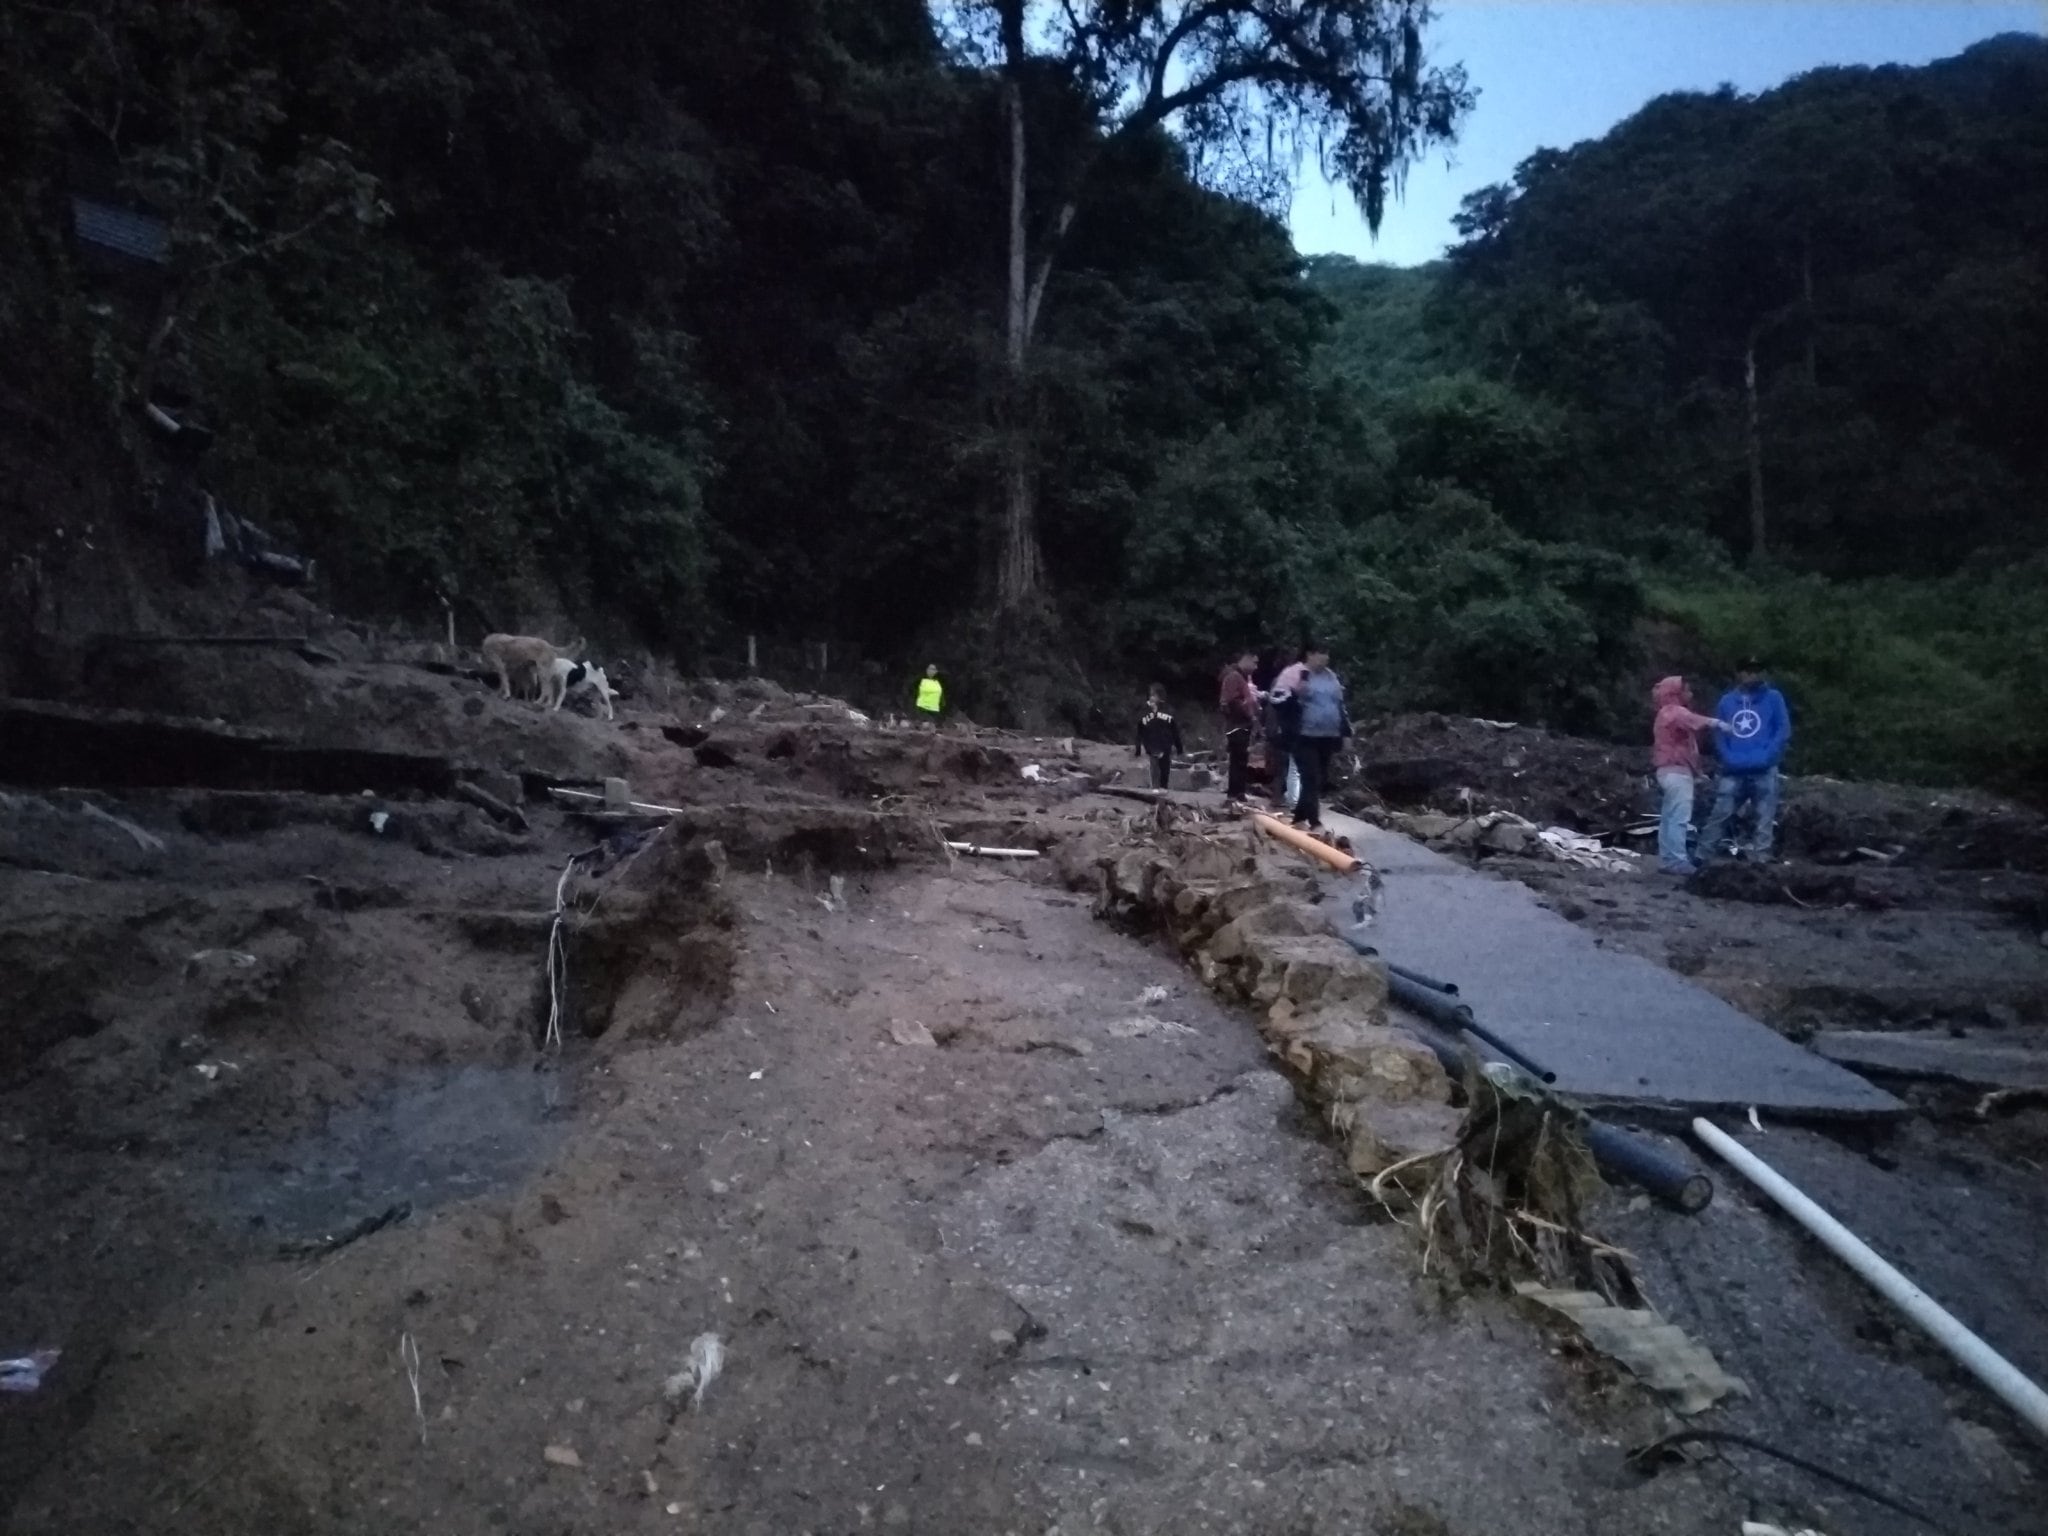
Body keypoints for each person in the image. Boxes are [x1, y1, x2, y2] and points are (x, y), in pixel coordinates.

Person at [1700, 657, 1793, 862]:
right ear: (1738, 673)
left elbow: (1783, 730)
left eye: (1757, 670)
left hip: (1764, 768)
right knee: (1720, 813)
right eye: (1747, 670)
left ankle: (1761, 858)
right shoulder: (1726, 701)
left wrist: (1768, 755)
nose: (1752, 675)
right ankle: (1702, 856)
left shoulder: (1774, 698)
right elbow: (1719, 734)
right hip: (1733, 768)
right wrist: (1727, 756)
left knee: (1764, 816)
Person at [1650, 675, 1731, 876]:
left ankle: (1668, 858)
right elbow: (1693, 721)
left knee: (1669, 816)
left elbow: (1686, 748)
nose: (1691, 694)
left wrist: (1698, 773)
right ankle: (1677, 860)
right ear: (1676, 692)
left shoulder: (1664, 712)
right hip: (1677, 772)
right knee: (1679, 817)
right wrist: (1718, 723)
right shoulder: (1674, 711)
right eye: (1687, 690)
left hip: (1668, 771)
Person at [1288, 643, 1350, 831]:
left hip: (1328, 735)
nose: (1326, 658)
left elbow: (1340, 705)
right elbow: (1284, 701)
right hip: (1304, 735)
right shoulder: (1298, 674)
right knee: (1310, 777)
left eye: (1327, 654)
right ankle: (1315, 821)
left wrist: (1346, 732)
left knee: (1320, 778)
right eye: (1321, 653)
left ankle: (1298, 818)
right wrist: (1298, 692)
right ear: (1310, 655)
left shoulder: (1331, 676)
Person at [1265, 651, 1308, 811]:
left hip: (1280, 727)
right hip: (1281, 728)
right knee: (1284, 764)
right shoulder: (1285, 684)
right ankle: (1280, 798)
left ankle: (1284, 797)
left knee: (1285, 764)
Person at [1217, 650, 1260, 803]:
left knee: (1240, 760)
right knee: (1238, 761)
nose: (1256, 667)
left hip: (1239, 724)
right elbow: (1229, 702)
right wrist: (1247, 713)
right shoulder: (1234, 676)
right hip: (1238, 725)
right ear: (1245, 659)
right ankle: (1234, 794)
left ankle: (1238, 793)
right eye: (1254, 662)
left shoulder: (1239, 677)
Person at [1133, 683, 1183, 789]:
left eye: (1153, 695)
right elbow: (1139, 730)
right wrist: (1138, 748)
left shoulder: (1169, 711)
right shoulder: (1145, 712)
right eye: (1150, 695)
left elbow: (1175, 731)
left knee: (1164, 771)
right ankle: (1155, 792)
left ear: (1159, 697)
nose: (1151, 698)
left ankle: (1163, 792)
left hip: (1165, 745)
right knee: (1154, 769)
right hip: (1151, 746)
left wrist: (1179, 748)